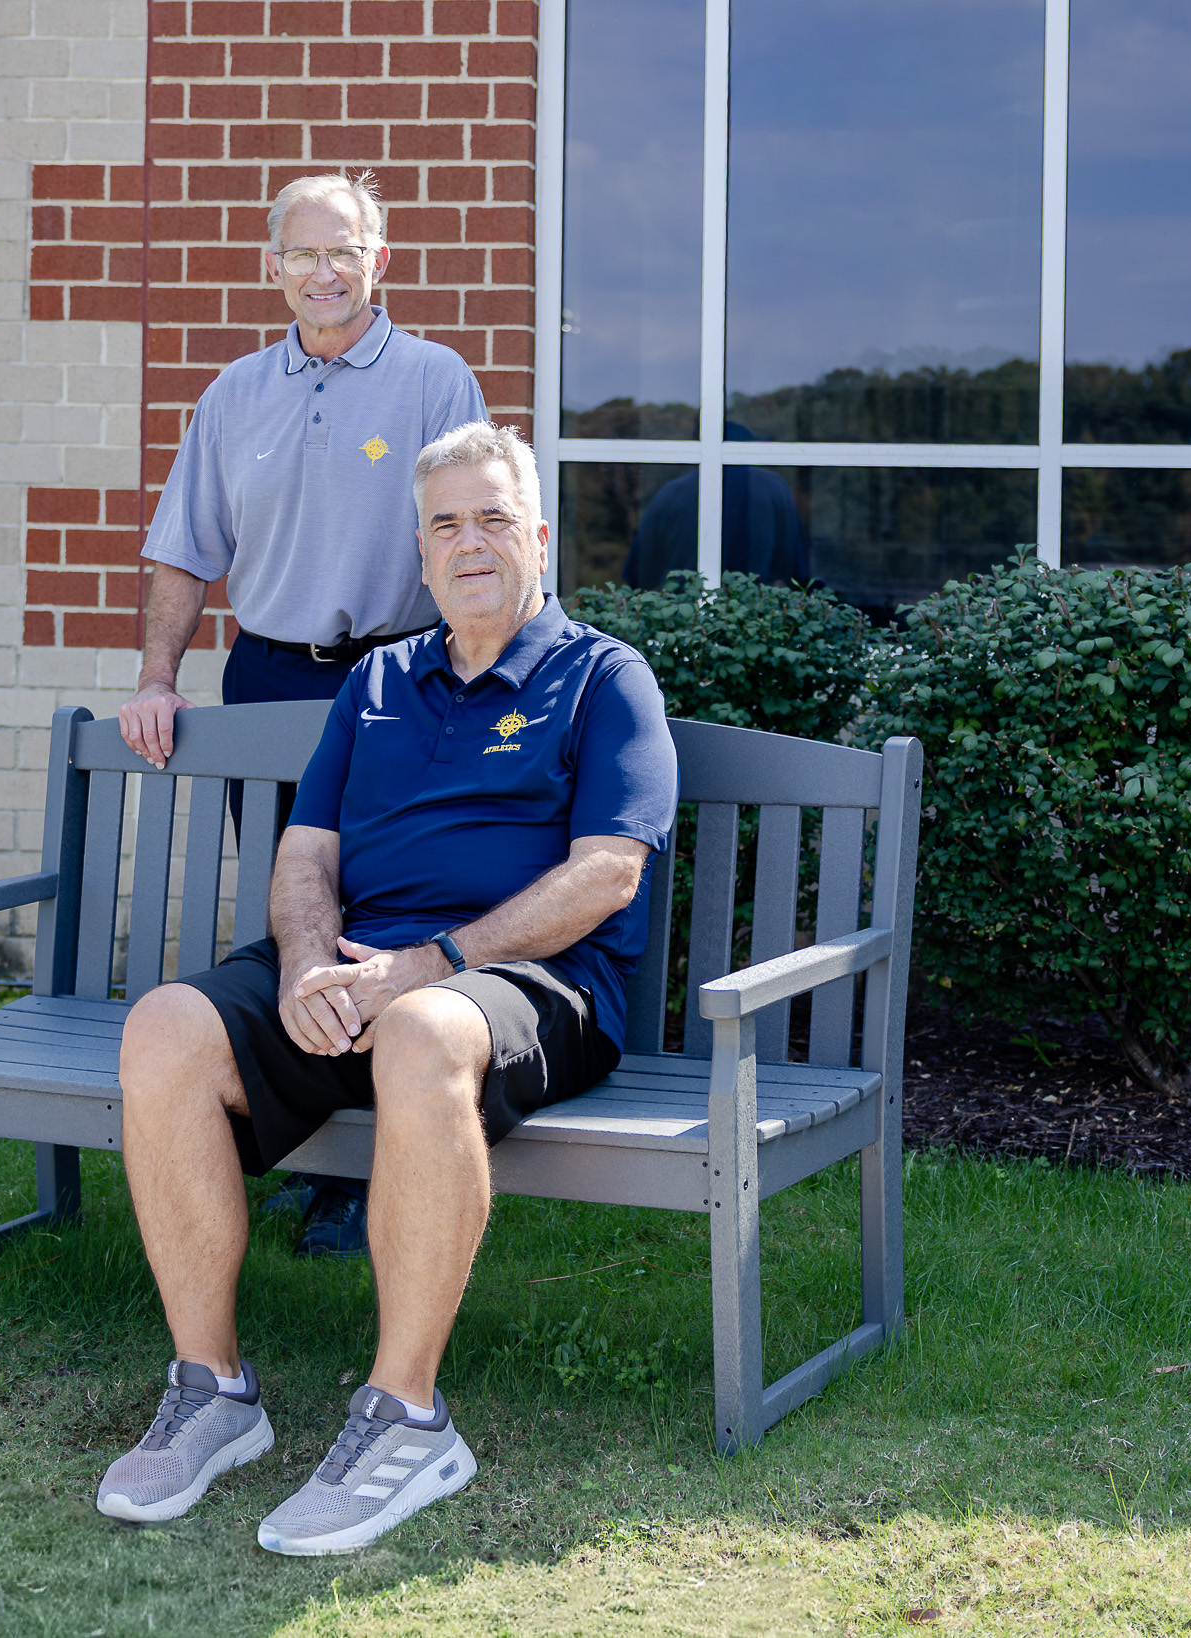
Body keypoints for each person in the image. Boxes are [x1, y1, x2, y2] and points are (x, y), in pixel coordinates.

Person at [95, 423, 679, 1555]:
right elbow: (305, 852)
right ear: (420, 552)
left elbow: (608, 873)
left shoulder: (603, 677)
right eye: (444, 524)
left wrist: (426, 966)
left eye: (494, 518)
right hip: (362, 969)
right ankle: (212, 1391)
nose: (470, 542)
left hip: (530, 982)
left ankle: (407, 1417)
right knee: (165, 1026)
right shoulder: (375, 681)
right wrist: (307, 964)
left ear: (539, 539)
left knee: (419, 1031)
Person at [117, 170, 488, 1258]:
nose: (324, 272)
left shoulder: (433, 379)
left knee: (390, 914)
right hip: (270, 678)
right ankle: (318, 1148)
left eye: (345, 251)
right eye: (303, 253)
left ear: (381, 261)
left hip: (401, 679)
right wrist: (156, 678)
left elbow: (474, 530)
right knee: (299, 914)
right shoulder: (233, 394)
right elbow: (183, 550)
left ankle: (377, 1169)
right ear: (270, 265)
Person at [621, 424, 811, 590]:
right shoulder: (773, 487)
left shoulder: (671, 493)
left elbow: (640, 575)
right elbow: (795, 571)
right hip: (755, 613)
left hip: (684, 613)